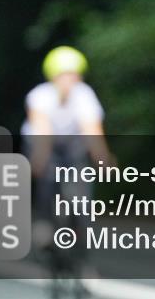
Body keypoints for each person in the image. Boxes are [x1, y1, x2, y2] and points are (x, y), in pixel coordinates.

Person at [22, 46, 114, 251]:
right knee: (47, 179)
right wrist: (38, 162)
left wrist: (102, 160)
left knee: (81, 188)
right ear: (53, 77)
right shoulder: (40, 96)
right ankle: (44, 222)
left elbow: (92, 130)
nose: (70, 81)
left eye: (74, 75)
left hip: (72, 145)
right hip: (42, 142)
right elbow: (42, 133)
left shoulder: (84, 95)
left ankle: (80, 234)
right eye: (64, 75)